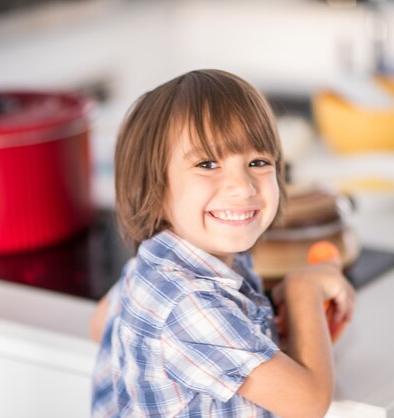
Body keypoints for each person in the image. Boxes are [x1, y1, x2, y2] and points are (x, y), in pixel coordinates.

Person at [90, 69, 356, 417]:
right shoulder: (188, 304)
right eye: (208, 163)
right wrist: (303, 290)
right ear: (151, 188)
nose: (243, 186)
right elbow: (308, 403)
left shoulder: (153, 266)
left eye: (258, 162)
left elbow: (99, 325)